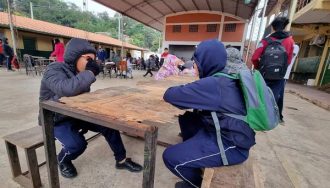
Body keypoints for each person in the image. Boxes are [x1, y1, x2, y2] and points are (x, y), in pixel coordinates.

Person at [39, 38, 142, 178]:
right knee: (77, 145)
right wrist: (89, 73)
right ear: (76, 57)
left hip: (75, 114)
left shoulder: (80, 72)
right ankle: (63, 161)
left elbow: (82, 97)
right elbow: (66, 89)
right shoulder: (54, 69)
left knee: (109, 124)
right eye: (89, 59)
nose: (92, 64)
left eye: (93, 60)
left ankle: (121, 160)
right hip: (55, 119)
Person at [162, 40, 255, 188]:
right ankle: (194, 164)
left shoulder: (213, 85)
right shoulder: (225, 78)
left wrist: (189, 88)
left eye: (196, 62)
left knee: (170, 157)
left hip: (232, 146)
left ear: (206, 61)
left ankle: (196, 185)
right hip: (228, 134)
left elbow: (169, 95)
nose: (194, 66)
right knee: (188, 119)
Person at [251, 17, 294, 123]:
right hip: (279, 76)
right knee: (274, 98)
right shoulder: (290, 41)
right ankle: (272, 119)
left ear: (273, 28)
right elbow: (288, 61)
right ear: (284, 27)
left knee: (260, 96)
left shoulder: (265, 41)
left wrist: (258, 68)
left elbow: (255, 58)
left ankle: (258, 118)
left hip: (264, 74)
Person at [278, 44, 300, 123]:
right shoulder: (278, 45)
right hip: (271, 74)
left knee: (279, 96)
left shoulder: (295, 46)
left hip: (283, 75)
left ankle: (279, 116)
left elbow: (288, 58)